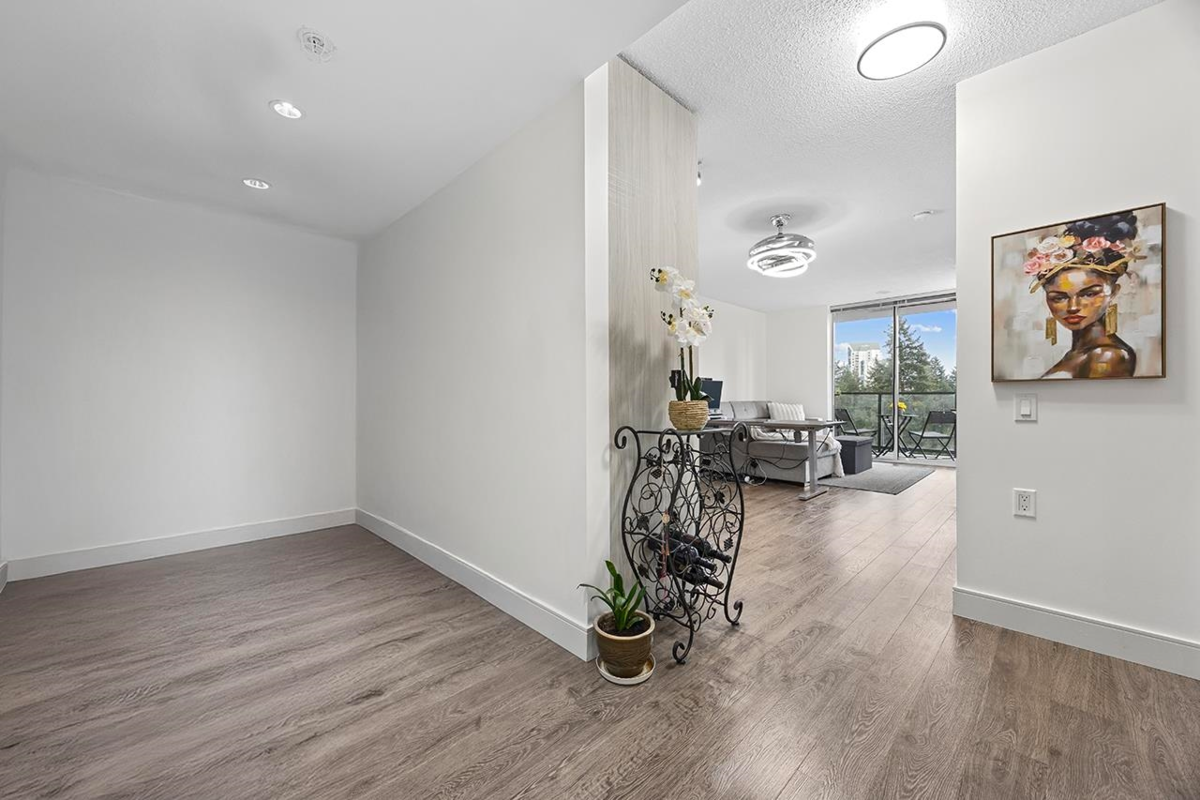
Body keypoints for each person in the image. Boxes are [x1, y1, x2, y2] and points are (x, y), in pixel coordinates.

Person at [1023, 212, 1142, 379]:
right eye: (1059, 297)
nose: (1073, 307)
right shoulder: (1076, 354)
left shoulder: (1107, 356)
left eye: (1088, 294)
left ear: (1113, 292)